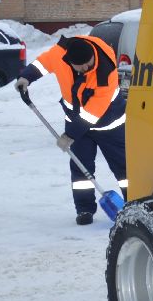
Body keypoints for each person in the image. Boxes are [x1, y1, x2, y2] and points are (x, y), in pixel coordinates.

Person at [16, 34, 126, 225]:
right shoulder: (61, 53)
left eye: (88, 64)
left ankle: (135, 203)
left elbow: (93, 113)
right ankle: (84, 209)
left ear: (93, 55)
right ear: (69, 61)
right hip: (76, 121)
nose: (85, 68)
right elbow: (43, 63)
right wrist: (26, 77)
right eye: (80, 66)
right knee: (80, 169)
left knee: (125, 169)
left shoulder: (105, 70)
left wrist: (69, 135)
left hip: (110, 124)